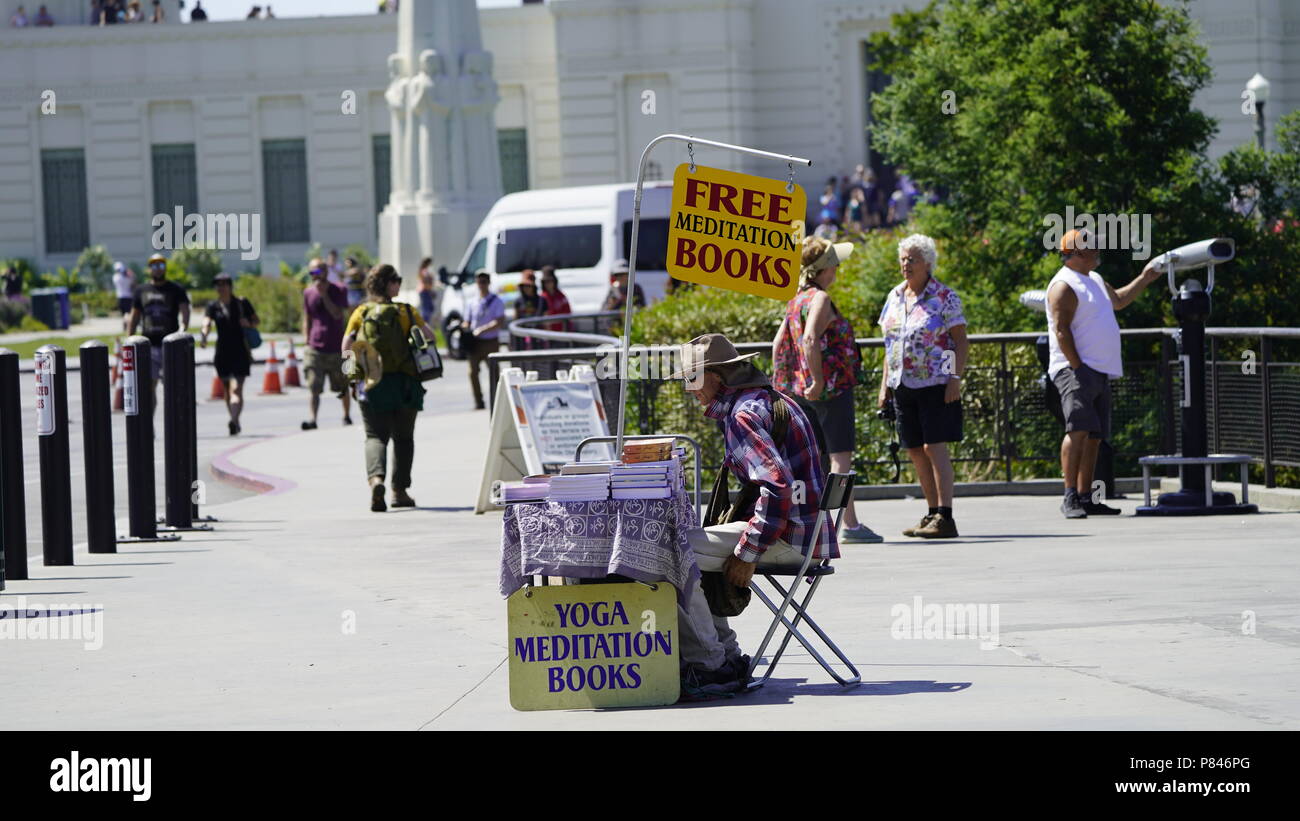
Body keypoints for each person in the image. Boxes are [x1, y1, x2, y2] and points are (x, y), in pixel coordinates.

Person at [672, 333, 837, 696]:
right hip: (806, 534)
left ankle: (710, 665)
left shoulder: (743, 414)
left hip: (789, 537)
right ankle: (723, 655)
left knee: (669, 553)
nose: (688, 389)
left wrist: (748, 553)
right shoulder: (767, 399)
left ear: (716, 376)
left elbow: (777, 487)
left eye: (691, 379)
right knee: (685, 548)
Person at [773, 236, 882, 543]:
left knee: (815, 460)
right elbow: (809, 340)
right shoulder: (819, 299)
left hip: (801, 391)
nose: (837, 270)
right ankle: (850, 525)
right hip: (830, 390)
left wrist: (783, 382)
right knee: (840, 458)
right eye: (834, 264)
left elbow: (779, 343)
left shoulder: (796, 299)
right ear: (824, 269)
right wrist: (817, 379)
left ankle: (814, 525)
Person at [1048, 228, 1162, 519]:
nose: (1098, 250)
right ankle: (1070, 496)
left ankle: (1087, 497)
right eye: (1093, 246)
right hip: (1075, 370)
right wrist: (1078, 368)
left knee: (1095, 436)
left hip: (1098, 370)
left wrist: (1145, 278)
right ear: (1076, 253)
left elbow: (1119, 301)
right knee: (1077, 430)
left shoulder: (1094, 279)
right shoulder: (1064, 285)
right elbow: (1061, 332)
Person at [876, 234, 968, 539]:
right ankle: (931, 513)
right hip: (902, 382)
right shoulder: (895, 295)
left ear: (927, 263)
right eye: (903, 258)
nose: (905, 264)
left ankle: (946, 515)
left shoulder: (944, 296)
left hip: (935, 381)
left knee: (934, 446)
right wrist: (884, 384)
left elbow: (959, 340)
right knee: (915, 449)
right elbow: (890, 343)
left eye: (912, 259)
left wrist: (954, 378)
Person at [342, 264, 435, 512]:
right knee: (403, 438)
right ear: (388, 284)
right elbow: (430, 337)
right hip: (405, 384)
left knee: (375, 436)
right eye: (397, 280)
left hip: (373, 384)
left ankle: (376, 480)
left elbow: (347, 346)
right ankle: (399, 491)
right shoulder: (407, 311)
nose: (399, 283)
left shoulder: (361, 312)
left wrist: (353, 379)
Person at [127, 252, 190, 408]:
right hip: (149, 345)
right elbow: (134, 317)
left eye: (161, 265)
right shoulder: (141, 290)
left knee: (173, 387)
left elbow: (185, 312)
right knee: (149, 387)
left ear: (165, 267)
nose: (158, 269)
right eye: (154, 266)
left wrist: (181, 332)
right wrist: (129, 340)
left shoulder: (176, 289)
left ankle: (174, 426)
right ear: (149, 269)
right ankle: (149, 428)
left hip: (170, 346)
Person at [200, 273, 258, 436]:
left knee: (237, 389)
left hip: (241, 351)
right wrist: (204, 334)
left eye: (224, 284)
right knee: (227, 390)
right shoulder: (213, 306)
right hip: (222, 353)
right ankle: (235, 419)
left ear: (230, 286)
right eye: (218, 284)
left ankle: (234, 420)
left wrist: (249, 323)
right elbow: (206, 321)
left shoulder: (241, 303)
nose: (221, 287)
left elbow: (256, 321)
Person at [301, 257, 352, 430]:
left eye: (318, 271)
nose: (315, 276)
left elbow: (338, 314)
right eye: (312, 272)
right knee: (314, 386)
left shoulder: (339, 290)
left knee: (342, 385)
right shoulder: (308, 292)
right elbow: (307, 318)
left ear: (325, 272)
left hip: (337, 347)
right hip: (316, 348)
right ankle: (313, 419)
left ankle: (346, 416)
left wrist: (324, 295)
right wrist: (306, 342)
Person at [465, 269, 505, 410]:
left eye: (484, 281)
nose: (481, 284)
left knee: (494, 373)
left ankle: (499, 400)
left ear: (488, 283)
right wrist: (463, 328)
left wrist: (482, 330)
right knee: (472, 372)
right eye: (479, 281)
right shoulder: (472, 302)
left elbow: (499, 321)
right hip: (475, 343)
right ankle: (478, 401)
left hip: (490, 342)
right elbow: (467, 321)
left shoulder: (496, 301)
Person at [511, 270, 544, 350]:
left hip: (537, 337)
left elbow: (546, 322)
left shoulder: (541, 300)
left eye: (528, 285)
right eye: (524, 285)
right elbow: (515, 319)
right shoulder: (518, 301)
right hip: (522, 337)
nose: (526, 288)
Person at [538, 266, 570, 334]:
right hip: (548, 333)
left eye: (550, 281)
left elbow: (568, 313)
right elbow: (541, 316)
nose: (548, 284)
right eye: (545, 282)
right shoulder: (542, 298)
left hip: (562, 331)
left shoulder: (561, 296)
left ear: (554, 281)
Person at [112, 261, 135, 329]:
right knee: (127, 313)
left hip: (120, 297)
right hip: (129, 297)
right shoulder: (127, 277)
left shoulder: (115, 277)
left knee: (124, 314)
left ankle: (126, 325)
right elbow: (133, 282)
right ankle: (127, 325)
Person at [415, 256, 435, 325]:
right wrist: (430, 289)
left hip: (425, 290)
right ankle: (424, 324)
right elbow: (425, 281)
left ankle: (425, 324)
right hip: (424, 291)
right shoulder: (424, 271)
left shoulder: (424, 270)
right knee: (426, 309)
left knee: (429, 308)